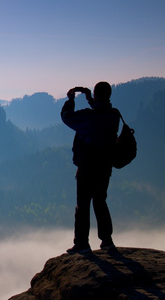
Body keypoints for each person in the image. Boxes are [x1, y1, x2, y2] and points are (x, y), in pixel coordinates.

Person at [61, 82, 120, 254]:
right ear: (109, 95)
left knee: (83, 205)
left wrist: (71, 100)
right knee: (100, 202)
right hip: (104, 167)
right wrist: (90, 100)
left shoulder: (88, 117)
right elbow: (102, 112)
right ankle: (107, 241)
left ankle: (82, 243)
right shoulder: (114, 115)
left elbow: (67, 117)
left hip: (87, 167)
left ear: (95, 94)